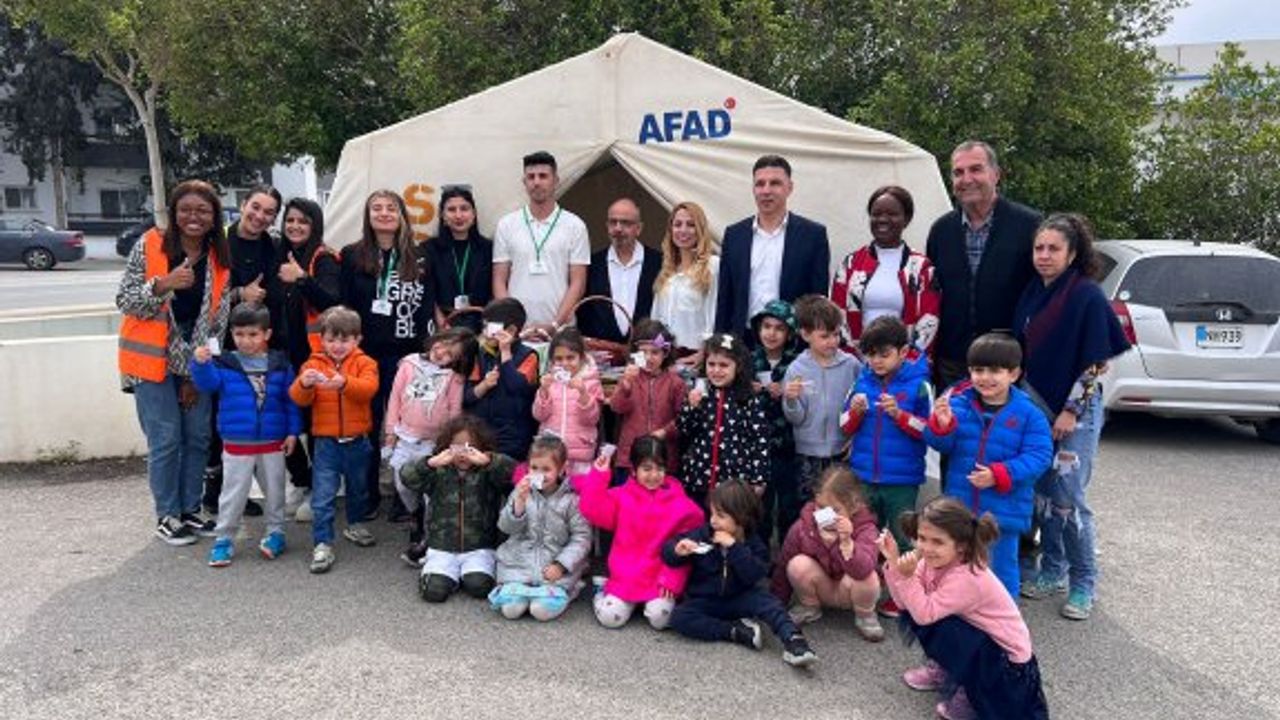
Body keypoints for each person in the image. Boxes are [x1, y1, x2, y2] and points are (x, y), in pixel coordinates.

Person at [1013, 214, 1130, 621]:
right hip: (1036, 406)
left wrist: (1070, 410)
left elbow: (1097, 361)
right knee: (1044, 496)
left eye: (1053, 249)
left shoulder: (1087, 296)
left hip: (1073, 411)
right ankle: (1053, 568)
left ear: (1073, 252)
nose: (1044, 256)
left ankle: (1084, 581)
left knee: (1069, 499)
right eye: (1039, 248)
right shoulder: (1033, 292)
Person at [116, 179, 233, 545]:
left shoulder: (218, 259)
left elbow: (216, 322)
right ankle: (166, 514)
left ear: (214, 216)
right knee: (165, 438)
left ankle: (189, 509)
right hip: (150, 362)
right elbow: (125, 300)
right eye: (186, 209)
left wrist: (192, 375)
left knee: (197, 436)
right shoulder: (150, 244)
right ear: (174, 213)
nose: (193, 217)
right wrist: (163, 283)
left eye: (202, 210)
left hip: (194, 364)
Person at [878, 497, 1049, 720]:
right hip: (983, 640)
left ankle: (971, 691)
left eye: (937, 542)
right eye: (922, 538)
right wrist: (893, 563)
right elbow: (904, 604)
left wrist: (907, 577)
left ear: (961, 545)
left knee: (935, 619)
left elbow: (923, 614)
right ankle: (947, 669)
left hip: (1006, 665)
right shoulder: (928, 561)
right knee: (928, 614)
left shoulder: (968, 576)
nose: (926, 548)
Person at [923, 333, 1053, 597]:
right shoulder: (957, 404)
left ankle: (1002, 626)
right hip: (959, 511)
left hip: (1002, 514)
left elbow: (1039, 457)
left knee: (1000, 574)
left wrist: (999, 474)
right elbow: (941, 445)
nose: (985, 377)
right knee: (955, 569)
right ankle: (956, 614)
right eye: (978, 370)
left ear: (1014, 374)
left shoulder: (1030, 414)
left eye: (995, 370)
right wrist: (942, 425)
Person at [341, 189, 435, 520]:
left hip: (407, 356)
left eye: (390, 208)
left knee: (408, 427)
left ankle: (403, 494)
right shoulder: (352, 255)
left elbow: (427, 305)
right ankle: (366, 495)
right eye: (376, 208)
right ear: (368, 217)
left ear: (402, 215)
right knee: (368, 425)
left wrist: (427, 353)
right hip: (366, 356)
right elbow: (346, 305)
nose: (383, 213)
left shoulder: (420, 256)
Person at [190, 303, 301, 566]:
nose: (246, 340)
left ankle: (276, 533)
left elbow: (291, 401)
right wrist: (200, 363)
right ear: (232, 334)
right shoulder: (225, 363)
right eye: (239, 334)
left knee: (275, 491)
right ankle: (224, 539)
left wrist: (293, 432)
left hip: (273, 441)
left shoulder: (281, 364)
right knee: (233, 493)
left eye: (253, 334)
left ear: (267, 334)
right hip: (237, 442)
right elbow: (207, 384)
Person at [926, 141, 1042, 391]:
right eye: (958, 173)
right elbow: (933, 297)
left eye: (975, 169)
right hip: (954, 363)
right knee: (955, 429)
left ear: (996, 174)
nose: (966, 179)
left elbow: (1042, 293)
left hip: (1008, 364)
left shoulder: (1029, 226)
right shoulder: (941, 231)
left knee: (1003, 430)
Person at [664, 481, 818, 667]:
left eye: (720, 516)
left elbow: (754, 574)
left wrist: (734, 547)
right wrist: (677, 550)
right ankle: (735, 631)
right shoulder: (705, 534)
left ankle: (794, 641)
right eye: (712, 513)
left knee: (770, 604)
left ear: (741, 519)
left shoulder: (754, 543)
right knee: (680, 617)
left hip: (741, 597)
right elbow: (668, 551)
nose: (713, 520)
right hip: (707, 598)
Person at [840, 315, 932, 618]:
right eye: (871, 354)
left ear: (903, 353)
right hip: (864, 474)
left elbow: (930, 431)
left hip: (902, 479)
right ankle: (872, 584)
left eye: (884, 354)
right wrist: (854, 413)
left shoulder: (919, 385)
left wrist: (900, 416)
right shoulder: (861, 379)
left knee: (901, 537)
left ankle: (905, 596)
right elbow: (843, 425)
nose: (876, 361)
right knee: (867, 533)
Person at [203, 185, 284, 516]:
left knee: (250, 415)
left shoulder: (272, 246)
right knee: (217, 422)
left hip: (257, 346)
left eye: (268, 212)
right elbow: (202, 294)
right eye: (256, 207)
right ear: (243, 204)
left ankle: (235, 494)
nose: (260, 216)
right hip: (220, 344)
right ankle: (213, 494)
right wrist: (239, 294)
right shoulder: (217, 242)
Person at [576, 437, 704, 630]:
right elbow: (592, 509)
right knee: (611, 618)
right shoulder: (621, 496)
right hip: (625, 577)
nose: (654, 475)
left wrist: (672, 579)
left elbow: (688, 548)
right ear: (633, 470)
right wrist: (600, 474)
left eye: (660, 468)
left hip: (658, 578)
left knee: (661, 619)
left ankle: (640, 604)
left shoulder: (682, 504)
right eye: (647, 468)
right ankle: (601, 592)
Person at [288, 306, 380, 573]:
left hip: (358, 441)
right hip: (326, 443)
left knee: (358, 489)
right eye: (331, 339)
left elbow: (368, 390)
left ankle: (355, 524)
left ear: (357, 340)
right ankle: (322, 544)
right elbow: (299, 399)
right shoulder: (312, 364)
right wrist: (304, 383)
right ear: (321, 339)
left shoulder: (366, 363)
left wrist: (343, 383)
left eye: (344, 339)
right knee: (323, 497)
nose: (337, 346)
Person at [400, 415, 517, 603]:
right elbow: (407, 477)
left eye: (470, 449)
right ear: (447, 447)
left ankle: (462, 575)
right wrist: (430, 463)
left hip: (479, 546)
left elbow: (514, 474)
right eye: (457, 448)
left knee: (479, 586)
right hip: (442, 546)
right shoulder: (438, 471)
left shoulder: (488, 472)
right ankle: (447, 576)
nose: (463, 454)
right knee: (434, 592)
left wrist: (489, 461)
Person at [274, 197, 342, 520]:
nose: (295, 226)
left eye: (303, 221)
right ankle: (299, 481)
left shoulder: (324, 258)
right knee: (282, 421)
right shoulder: (277, 255)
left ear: (315, 225)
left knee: (316, 427)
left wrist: (301, 278)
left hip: (313, 356)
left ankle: (318, 488)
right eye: (290, 220)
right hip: (279, 356)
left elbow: (332, 300)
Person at [385, 327, 474, 565]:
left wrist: (450, 442)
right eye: (442, 344)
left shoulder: (454, 378)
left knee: (429, 491)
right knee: (402, 482)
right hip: (405, 437)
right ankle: (414, 514)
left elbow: (455, 411)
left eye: (450, 354)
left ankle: (426, 536)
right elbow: (394, 397)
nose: (442, 352)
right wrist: (390, 431)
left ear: (458, 360)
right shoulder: (409, 364)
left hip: (432, 443)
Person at [715, 155, 830, 338]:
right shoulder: (734, 235)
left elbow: (817, 299)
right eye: (760, 184)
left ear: (789, 188)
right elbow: (725, 297)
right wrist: (719, 340)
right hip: (743, 340)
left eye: (775, 183)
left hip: (793, 342)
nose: (766, 190)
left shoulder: (813, 235)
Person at [771, 466, 883, 642]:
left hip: (850, 590)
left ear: (854, 506)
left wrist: (845, 543)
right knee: (796, 564)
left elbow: (863, 571)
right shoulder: (804, 526)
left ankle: (865, 615)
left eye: (835, 510)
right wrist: (776, 604)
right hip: (822, 587)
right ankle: (810, 606)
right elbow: (784, 563)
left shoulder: (866, 528)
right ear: (815, 500)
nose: (826, 516)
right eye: (821, 507)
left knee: (870, 576)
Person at [490, 435, 592, 621]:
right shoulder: (521, 491)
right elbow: (505, 527)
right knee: (511, 610)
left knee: (540, 611)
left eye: (547, 469)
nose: (540, 474)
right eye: (534, 468)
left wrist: (561, 565)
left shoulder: (572, 499)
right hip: (519, 562)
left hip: (553, 567)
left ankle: (567, 591)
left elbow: (582, 538)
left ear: (561, 470)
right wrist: (519, 503)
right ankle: (522, 590)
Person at [830, 185, 940, 356]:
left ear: (907, 219)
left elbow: (929, 321)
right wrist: (854, 359)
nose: (883, 219)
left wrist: (906, 360)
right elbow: (837, 315)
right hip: (858, 363)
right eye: (877, 214)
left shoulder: (921, 268)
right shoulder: (851, 264)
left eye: (892, 214)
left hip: (905, 366)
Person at [492, 151, 590, 336]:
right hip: (517, 332)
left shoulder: (575, 226)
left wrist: (555, 324)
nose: (536, 182)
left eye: (543, 176)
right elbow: (499, 280)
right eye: (531, 177)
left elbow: (578, 282)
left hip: (561, 332)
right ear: (524, 182)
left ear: (556, 180)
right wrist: (513, 323)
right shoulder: (507, 224)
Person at [676, 333, 770, 507]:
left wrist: (758, 478)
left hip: (733, 483)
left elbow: (759, 440)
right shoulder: (698, 392)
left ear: (738, 366)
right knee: (699, 525)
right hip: (698, 478)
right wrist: (691, 408)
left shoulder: (748, 398)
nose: (716, 370)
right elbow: (684, 430)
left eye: (724, 365)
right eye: (711, 364)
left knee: (729, 526)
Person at [781, 295, 860, 503]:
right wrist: (790, 399)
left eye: (836, 334)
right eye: (825, 336)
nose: (833, 341)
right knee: (810, 508)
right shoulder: (796, 369)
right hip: (807, 453)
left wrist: (855, 438)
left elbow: (862, 407)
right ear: (805, 334)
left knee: (840, 506)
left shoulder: (851, 365)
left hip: (842, 452)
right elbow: (795, 418)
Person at [749, 300, 802, 545]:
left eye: (779, 328)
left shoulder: (798, 363)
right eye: (766, 326)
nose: (771, 333)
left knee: (789, 506)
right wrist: (748, 390)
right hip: (757, 448)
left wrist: (787, 393)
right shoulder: (748, 360)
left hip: (789, 448)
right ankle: (760, 560)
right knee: (760, 506)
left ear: (789, 332)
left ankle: (787, 557)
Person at [462, 298, 540, 460]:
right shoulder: (480, 354)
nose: (485, 333)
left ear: (511, 330)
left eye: (490, 328)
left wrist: (506, 354)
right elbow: (467, 396)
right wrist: (483, 385)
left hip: (514, 437)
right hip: (481, 434)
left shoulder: (529, 356)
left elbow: (517, 387)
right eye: (483, 327)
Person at [608, 319, 685, 483]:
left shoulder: (675, 383)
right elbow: (616, 408)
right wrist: (625, 385)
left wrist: (665, 432)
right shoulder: (630, 378)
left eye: (655, 352)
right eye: (643, 352)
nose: (649, 358)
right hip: (629, 459)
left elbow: (683, 418)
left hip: (662, 459)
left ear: (665, 353)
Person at [575, 198, 662, 343]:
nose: (618, 228)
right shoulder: (592, 265)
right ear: (607, 226)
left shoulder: (659, 263)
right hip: (601, 357)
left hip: (648, 355)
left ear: (639, 228)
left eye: (626, 223)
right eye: (613, 222)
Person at [650, 201, 720, 365]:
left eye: (690, 225)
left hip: (697, 357)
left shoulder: (712, 265)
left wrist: (705, 353)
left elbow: (714, 315)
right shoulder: (667, 271)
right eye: (677, 224)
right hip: (667, 358)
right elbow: (656, 320)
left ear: (700, 230)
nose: (683, 230)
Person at [532, 327, 604, 475]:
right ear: (552, 360)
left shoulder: (591, 382)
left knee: (578, 495)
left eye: (570, 357)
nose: (565, 363)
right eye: (559, 359)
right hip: (550, 454)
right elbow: (539, 416)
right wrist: (543, 391)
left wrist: (583, 392)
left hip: (580, 455)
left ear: (582, 357)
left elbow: (591, 419)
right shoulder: (549, 381)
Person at [424, 185, 492, 332]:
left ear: (473, 214)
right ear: (442, 215)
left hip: (481, 323)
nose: (458, 215)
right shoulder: (429, 249)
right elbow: (427, 291)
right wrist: (441, 322)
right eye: (451, 210)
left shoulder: (488, 248)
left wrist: (488, 323)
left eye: (464, 208)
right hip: (443, 323)